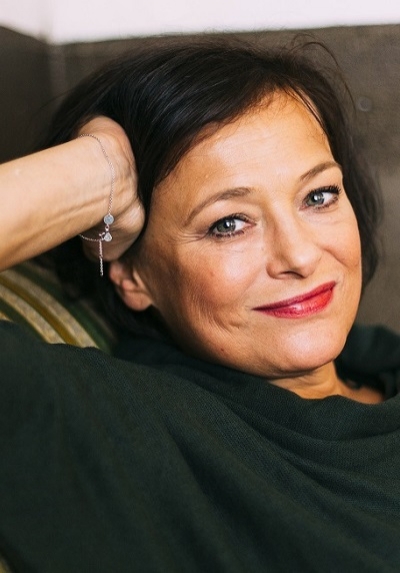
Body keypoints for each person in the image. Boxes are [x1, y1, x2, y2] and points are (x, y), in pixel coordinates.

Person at [1, 37, 400, 572]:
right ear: (133, 276)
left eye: (319, 195)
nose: (301, 256)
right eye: (228, 224)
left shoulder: (379, 360)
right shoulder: (134, 432)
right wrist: (104, 169)